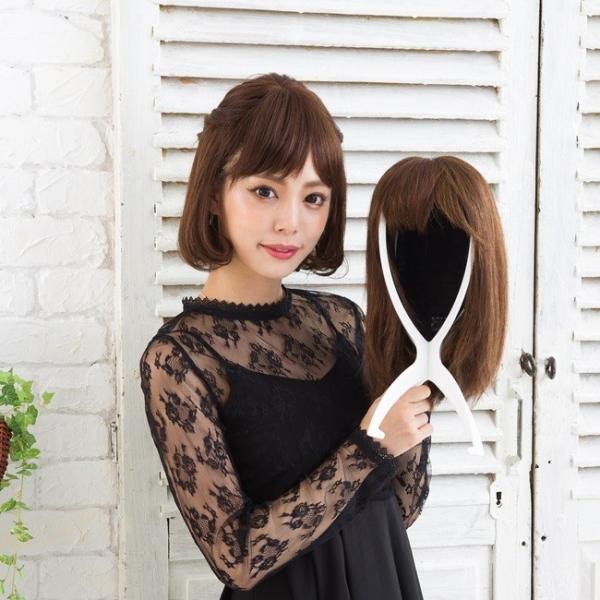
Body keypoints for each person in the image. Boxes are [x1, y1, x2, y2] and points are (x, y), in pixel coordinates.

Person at [138, 72, 434, 599]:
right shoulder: (180, 359)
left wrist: (416, 379)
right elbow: (237, 558)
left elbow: (400, 507)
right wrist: (369, 444)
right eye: (265, 191)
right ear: (213, 194)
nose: (290, 223)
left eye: (314, 197)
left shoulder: (343, 322)